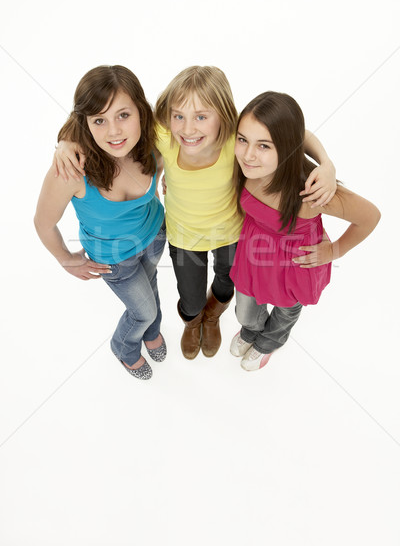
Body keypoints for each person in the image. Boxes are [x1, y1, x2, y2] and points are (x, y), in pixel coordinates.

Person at [53, 66, 337, 360]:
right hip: (184, 236)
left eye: (201, 116)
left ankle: (213, 315)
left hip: (231, 233)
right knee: (190, 298)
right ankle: (194, 320)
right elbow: (106, 123)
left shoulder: (234, 139)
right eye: (179, 116)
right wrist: (66, 140)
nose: (188, 129)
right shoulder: (165, 136)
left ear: (224, 117)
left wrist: (325, 162)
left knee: (226, 284)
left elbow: (292, 132)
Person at [229, 91, 380, 372]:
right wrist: (327, 160)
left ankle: (270, 341)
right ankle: (251, 330)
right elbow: (304, 132)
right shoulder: (244, 167)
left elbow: (371, 216)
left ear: (287, 147)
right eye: (243, 140)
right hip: (254, 253)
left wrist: (335, 250)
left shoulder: (311, 191)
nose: (248, 155)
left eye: (264, 146)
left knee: (286, 308)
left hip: (293, 264)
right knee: (246, 310)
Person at [34, 65, 166, 380]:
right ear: (86, 123)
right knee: (142, 310)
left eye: (123, 115)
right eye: (99, 120)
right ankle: (124, 349)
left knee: (152, 287)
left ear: (141, 112)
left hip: (155, 235)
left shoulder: (156, 147)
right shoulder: (71, 170)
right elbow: (43, 222)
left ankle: (152, 331)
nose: (114, 132)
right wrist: (66, 260)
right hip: (114, 259)